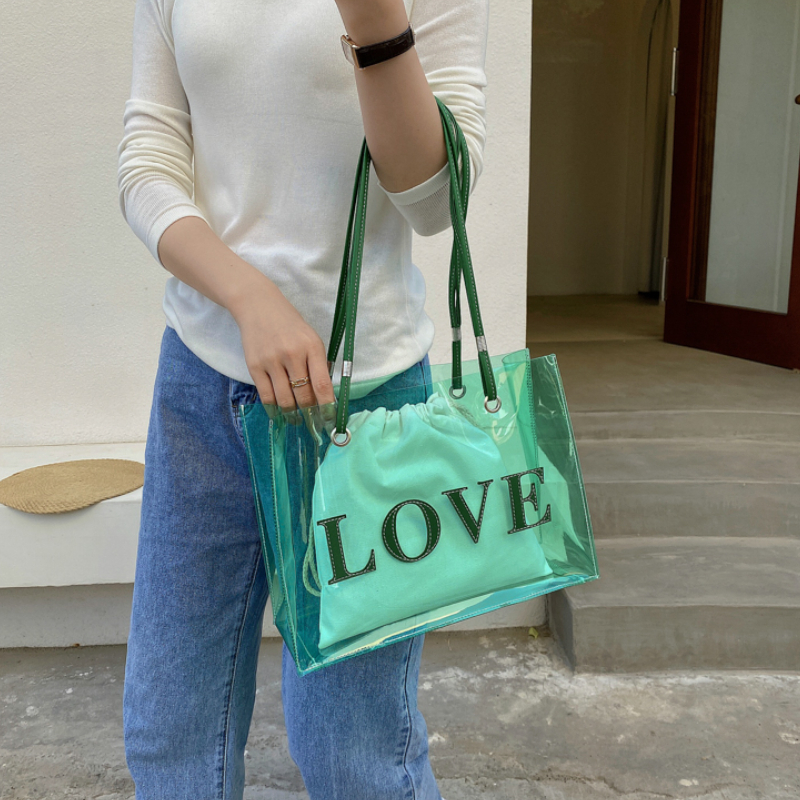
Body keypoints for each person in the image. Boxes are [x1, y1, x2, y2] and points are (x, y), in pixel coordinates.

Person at [116, 0, 489, 797]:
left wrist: (375, 22)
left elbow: (435, 201)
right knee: (171, 732)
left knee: (352, 753)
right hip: (201, 385)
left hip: (365, 403)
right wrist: (248, 295)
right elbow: (148, 163)